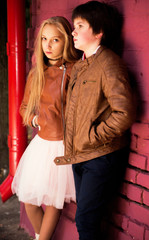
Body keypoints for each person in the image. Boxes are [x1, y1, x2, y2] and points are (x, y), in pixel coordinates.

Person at [54, 1, 136, 240]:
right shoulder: (80, 66)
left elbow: (125, 112)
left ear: (99, 32)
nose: (73, 31)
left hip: (100, 156)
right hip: (81, 154)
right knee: (88, 218)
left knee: (85, 220)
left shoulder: (109, 64)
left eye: (80, 25)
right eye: (74, 25)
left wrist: (92, 137)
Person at [11, 16, 79, 240]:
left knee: (53, 202)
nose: (48, 46)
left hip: (62, 146)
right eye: (44, 39)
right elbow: (23, 108)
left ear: (66, 42)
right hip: (41, 146)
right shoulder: (37, 73)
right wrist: (36, 121)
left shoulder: (74, 72)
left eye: (55, 40)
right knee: (29, 201)